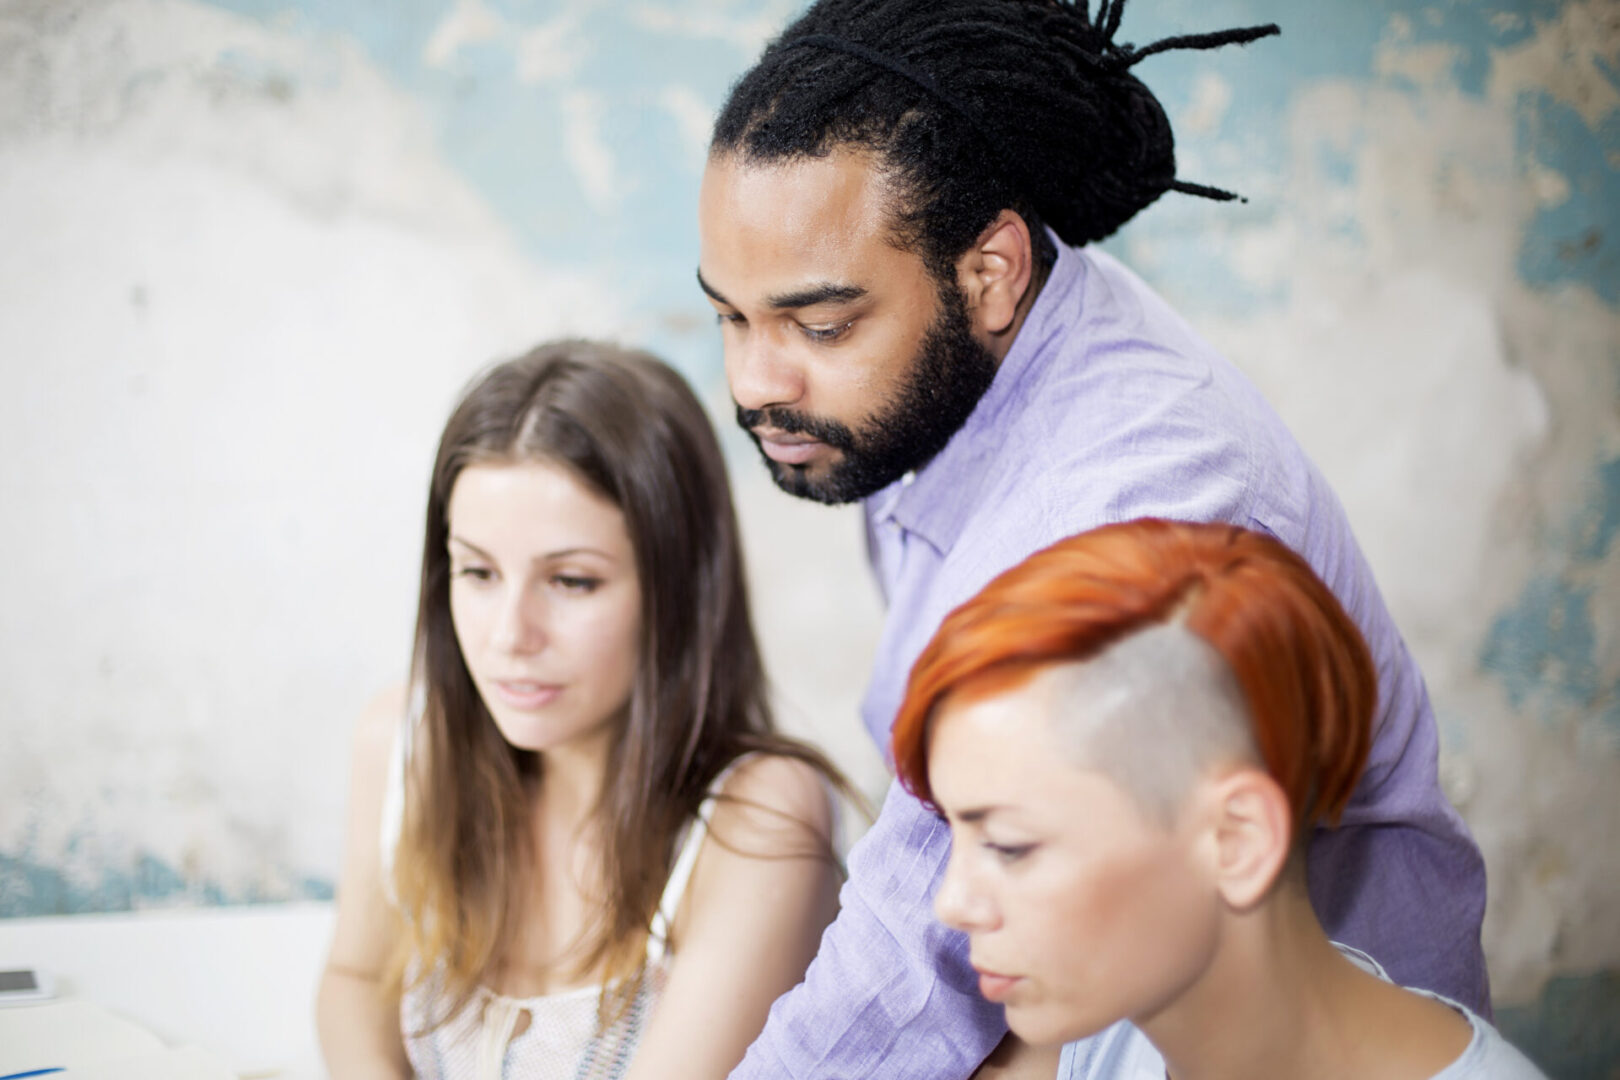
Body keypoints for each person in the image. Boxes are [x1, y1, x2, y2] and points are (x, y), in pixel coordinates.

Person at [695, 0, 1488, 1075]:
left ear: (994, 272)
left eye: (819, 325)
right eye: (730, 317)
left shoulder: (1131, 503)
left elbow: (922, 947)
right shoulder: (928, 382)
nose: (754, 382)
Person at [316, 341, 849, 1080]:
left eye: (570, 582)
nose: (509, 637)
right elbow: (351, 984)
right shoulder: (406, 742)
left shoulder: (758, 819)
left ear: (679, 589)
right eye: (476, 571)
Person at [891, 518, 1544, 1080]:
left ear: (1238, 839)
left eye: (1009, 846)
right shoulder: (1114, 1024)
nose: (954, 903)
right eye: (957, 834)